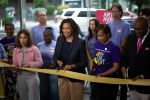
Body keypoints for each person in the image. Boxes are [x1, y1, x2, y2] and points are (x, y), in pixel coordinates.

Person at [53, 18, 88, 100]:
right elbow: (55, 56)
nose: (65, 31)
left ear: (73, 28)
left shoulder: (80, 42)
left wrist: (71, 66)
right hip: (62, 76)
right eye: (63, 28)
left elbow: (84, 62)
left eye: (68, 28)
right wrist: (58, 61)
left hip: (76, 78)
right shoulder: (60, 39)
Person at [90, 24, 121, 100]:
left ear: (108, 34)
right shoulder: (97, 44)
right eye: (98, 36)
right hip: (97, 79)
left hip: (109, 82)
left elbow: (116, 67)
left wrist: (102, 74)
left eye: (102, 36)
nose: (99, 38)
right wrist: (93, 63)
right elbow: (96, 59)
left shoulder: (114, 48)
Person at [107, 3, 131, 100]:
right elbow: (106, 40)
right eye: (113, 11)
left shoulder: (126, 25)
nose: (114, 13)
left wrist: (116, 53)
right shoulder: (108, 24)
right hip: (109, 56)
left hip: (121, 56)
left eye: (116, 11)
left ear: (121, 12)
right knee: (111, 79)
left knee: (122, 80)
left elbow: (124, 42)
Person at [123, 16, 150, 100]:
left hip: (146, 86)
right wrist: (123, 67)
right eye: (135, 29)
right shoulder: (131, 38)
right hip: (132, 83)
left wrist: (143, 76)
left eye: (139, 29)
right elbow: (126, 56)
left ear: (147, 26)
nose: (137, 32)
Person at [12, 29, 43, 100]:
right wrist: (13, 68)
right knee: (23, 97)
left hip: (32, 76)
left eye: (24, 37)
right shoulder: (16, 50)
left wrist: (29, 64)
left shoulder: (34, 49)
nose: (22, 40)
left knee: (34, 98)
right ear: (18, 38)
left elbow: (40, 63)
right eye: (21, 37)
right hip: (20, 77)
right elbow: (15, 63)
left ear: (28, 38)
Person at [37, 27, 59, 100]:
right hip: (42, 71)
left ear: (51, 36)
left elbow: (59, 57)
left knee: (54, 91)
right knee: (43, 91)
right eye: (45, 36)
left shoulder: (56, 44)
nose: (46, 37)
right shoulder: (39, 45)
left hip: (53, 71)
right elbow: (37, 57)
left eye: (48, 35)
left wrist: (55, 64)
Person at [0, 23, 18, 100]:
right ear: (5, 30)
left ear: (14, 29)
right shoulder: (2, 41)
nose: (9, 31)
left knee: (18, 87)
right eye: (7, 29)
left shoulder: (18, 39)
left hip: (17, 67)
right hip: (6, 68)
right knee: (8, 87)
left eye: (11, 29)